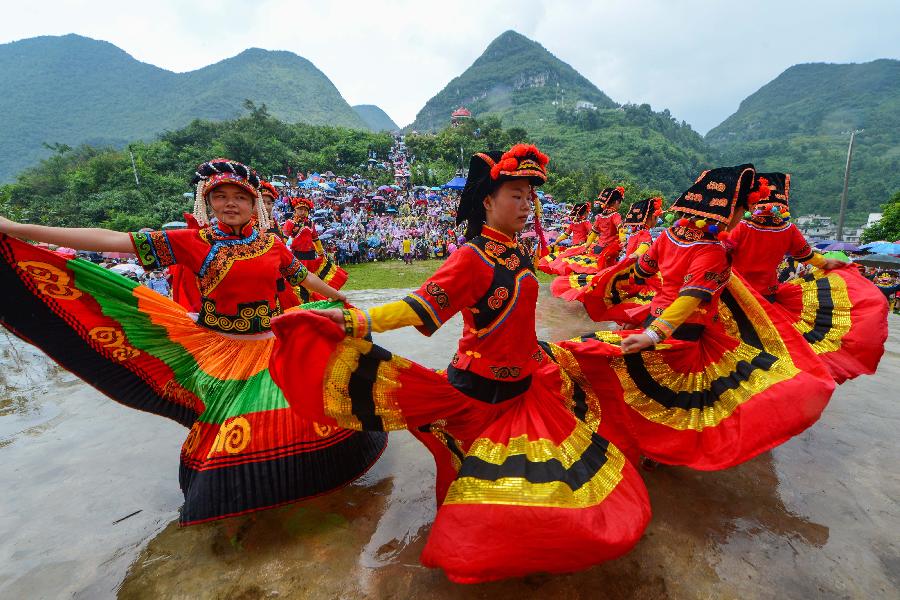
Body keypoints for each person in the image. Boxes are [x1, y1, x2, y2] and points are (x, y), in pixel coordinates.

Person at [268, 145, 650, 584]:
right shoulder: (471, 257)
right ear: (487, 201)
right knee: (475, 486)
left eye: (530, 196)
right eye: (515, 195)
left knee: (540, 474)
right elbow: (419, 305)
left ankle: (517, 547)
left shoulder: (516, 251)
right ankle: (479, 554)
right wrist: (361, 318)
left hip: (525, 385)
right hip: (480, 392)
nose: (526, 205)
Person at [0, 158, 387, 525]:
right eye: (221, 197)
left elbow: (304, 278)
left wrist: (339, 301)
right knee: (229, 433)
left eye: (240, 197)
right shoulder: (189, 240)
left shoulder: (273, 245)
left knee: (306, 414)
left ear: (256, 205)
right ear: (208, 202)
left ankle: (308, 493)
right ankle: (236, 505)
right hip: (217, 352)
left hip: (272, 344)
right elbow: (112, 239)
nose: (230, 204)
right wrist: (17, 229)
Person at [550, 164, 836, 471]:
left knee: (641, 387)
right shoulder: (717, 250)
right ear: (729, 211)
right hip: (693, 328)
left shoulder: (669, 237)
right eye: (741, 210)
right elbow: (692, 296)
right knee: (688, 400)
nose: (743, 216)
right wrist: (654, 333)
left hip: (658, 319)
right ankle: (666, 450)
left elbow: (639, 273)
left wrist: (608, 290)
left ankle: (641, 444)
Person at [726, 173, 887, 383]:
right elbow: (807, 255)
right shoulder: (787, 229)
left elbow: (723, 251)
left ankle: (743, 382)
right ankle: (772, 379)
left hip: (735, 295)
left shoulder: (741, 227)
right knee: (766, 341)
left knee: (732, 341)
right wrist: (828, 263)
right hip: (768, 296)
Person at [551, 196, 664, 325]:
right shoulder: (629, 225)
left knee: (601, 280)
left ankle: (590, 301)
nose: (657, 220)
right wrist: (629, 248)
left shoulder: (603, 219)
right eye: (656, 217)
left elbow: (592, 233)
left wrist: (586, 246)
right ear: (616, 201)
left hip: (598, 250)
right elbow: (641, 244)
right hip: (614, 256)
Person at [283, 196, 348, 302]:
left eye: (305, 210)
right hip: (298, 256)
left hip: (311, 255)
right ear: (295, 210)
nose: (303, 212)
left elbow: (315, 238)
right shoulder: (290, 223)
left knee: (315, 278)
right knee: (302, 281)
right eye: (300, 209)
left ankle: (319, 296)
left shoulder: (310, 223)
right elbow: (284, 239)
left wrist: (321, 252)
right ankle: (302, 300)